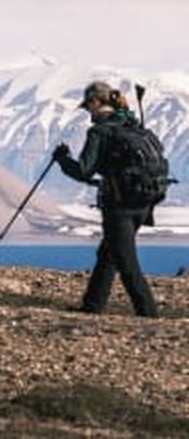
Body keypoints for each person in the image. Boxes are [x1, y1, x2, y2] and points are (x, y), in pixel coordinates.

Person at [53, 81, 159, 317]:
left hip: (119, 205)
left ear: (95, 103)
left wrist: (62, 159)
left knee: (125, 261)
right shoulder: (132, 125)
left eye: (88, 107)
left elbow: (83, 170)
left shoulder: (99, 132)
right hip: (144, 202)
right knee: (109, 252)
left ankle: (148, 313)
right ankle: (92, 305)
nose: (88, 113)